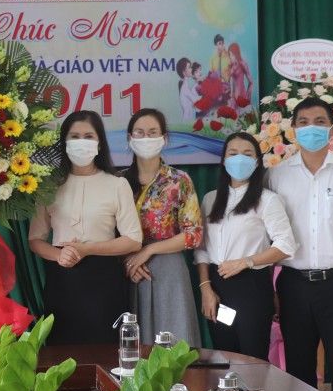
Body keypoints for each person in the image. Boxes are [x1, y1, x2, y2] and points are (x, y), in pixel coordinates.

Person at [267, 97, 333, 391]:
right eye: (304, 122)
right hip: (293, 283)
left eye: (320, 122)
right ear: (293, 129)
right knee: (298, 369)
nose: (311, 128)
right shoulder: (276, 176)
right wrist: (271, 289)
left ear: (332, 129)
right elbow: (268, 237)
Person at [29, 111, 143, 345]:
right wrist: (59, 255)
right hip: (62, 279)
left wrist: (88, 249)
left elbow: (133, 240)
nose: (81, 142)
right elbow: (35, 239)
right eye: (75, 136)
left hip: (103, 280)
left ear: (99, 143)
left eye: (88, 136)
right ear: (65, 143)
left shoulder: (117, 185)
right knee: (61, 350)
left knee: (104, 350)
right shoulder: (48, 186)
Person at [194, 131, 296, 359]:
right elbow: (201, 249)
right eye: (233, 153)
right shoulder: (210, 199)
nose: (239, 159)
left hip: (251, 286)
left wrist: (246, 262)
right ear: (223, 160)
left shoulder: (268, 199)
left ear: (257, 162)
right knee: (224, 357)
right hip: (218, 287)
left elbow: (285, 245)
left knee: (253, 359)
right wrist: (206, 288)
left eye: (247, 154)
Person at [121, 109, 203, 347]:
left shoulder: (179, 180)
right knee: (133, 346)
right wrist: (127, 261)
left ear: (164, 138)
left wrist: (148, 250)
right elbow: (108, 232)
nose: (146, 138)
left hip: (169, 268)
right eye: (139, 132)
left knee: (173, 343)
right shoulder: (118, 181)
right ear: (129, 138)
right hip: (129, 269)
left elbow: (194, 234)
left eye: (152, 132)